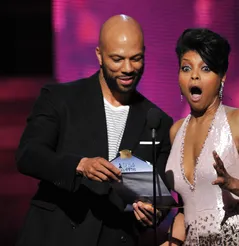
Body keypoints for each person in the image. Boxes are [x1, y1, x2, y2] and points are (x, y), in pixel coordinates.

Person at [15, 14, 173, 246]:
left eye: (136, 58)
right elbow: (28, 155)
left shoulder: (158, 121)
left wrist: (155, 212)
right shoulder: (60, 99)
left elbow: (160, 192)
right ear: (99, 55)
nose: (128, 68)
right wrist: (79, 165)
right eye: (117, 59)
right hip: (55, 235)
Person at [162, 28, 239, 245]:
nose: (194, 75)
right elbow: (187, 208)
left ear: (222, 77)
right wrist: (172, 242)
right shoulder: (176, 132)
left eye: (206, 68)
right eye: (186, 67)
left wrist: (232, 184)